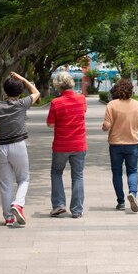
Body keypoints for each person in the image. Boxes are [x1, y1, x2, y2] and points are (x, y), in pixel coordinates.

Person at [0, 72, 40, 226]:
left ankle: (9, 217)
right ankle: (18, 204)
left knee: (5, 184)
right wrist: (23, 79)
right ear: (20, 92)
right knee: (24, 179)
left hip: (1, 147)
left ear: (5, 90)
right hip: (18, 145)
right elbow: (36, 93)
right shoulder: (22, 103)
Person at [102, 79, 138, 213]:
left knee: (117, 172)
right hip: (133, 144)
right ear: (131, 90)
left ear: (116, 90)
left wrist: (105, 127)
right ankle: (133, 192)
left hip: (115, 144)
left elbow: (107, 126)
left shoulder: (111, 105)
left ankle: (121, 202)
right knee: (132, 171)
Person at [46, 71, 87, 218]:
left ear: (58, 86)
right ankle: (76, 210)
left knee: (56, 173)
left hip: (61, 145)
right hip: (79, 144)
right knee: (78, 176)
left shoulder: (56, 103)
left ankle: (58, 205)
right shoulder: (82, 99)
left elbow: (50, 124)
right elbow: (83, 112)